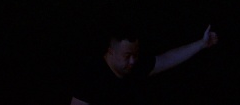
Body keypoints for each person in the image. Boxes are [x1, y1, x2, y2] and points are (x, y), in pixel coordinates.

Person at [70, 24, 219, 105]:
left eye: (135, 55)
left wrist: (201, 44)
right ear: (111, 52)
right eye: (127, 56)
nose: (132, 61)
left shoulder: (135, 67)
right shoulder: (91, 78)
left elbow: (168, 59)